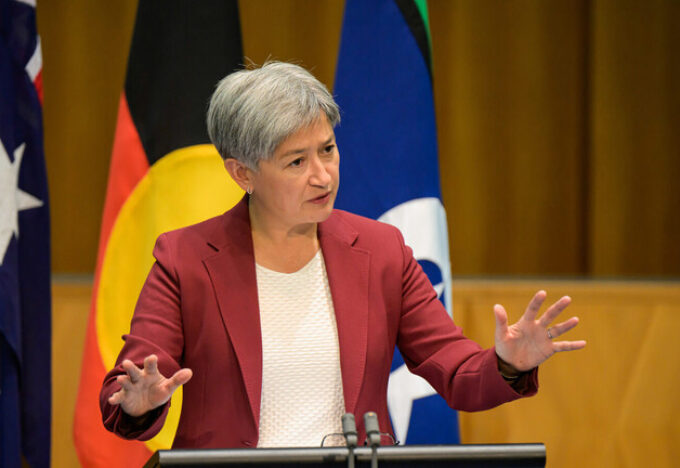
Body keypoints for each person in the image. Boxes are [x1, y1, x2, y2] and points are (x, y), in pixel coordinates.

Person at [100, 62, 586, 449]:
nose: (323, 175)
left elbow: (455, 371)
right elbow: (130, 386)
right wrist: (139, 402)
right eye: (297, 161)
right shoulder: (186, 259)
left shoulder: (381, 251)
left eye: (328, 150)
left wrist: (507, 363)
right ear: (242, 173)